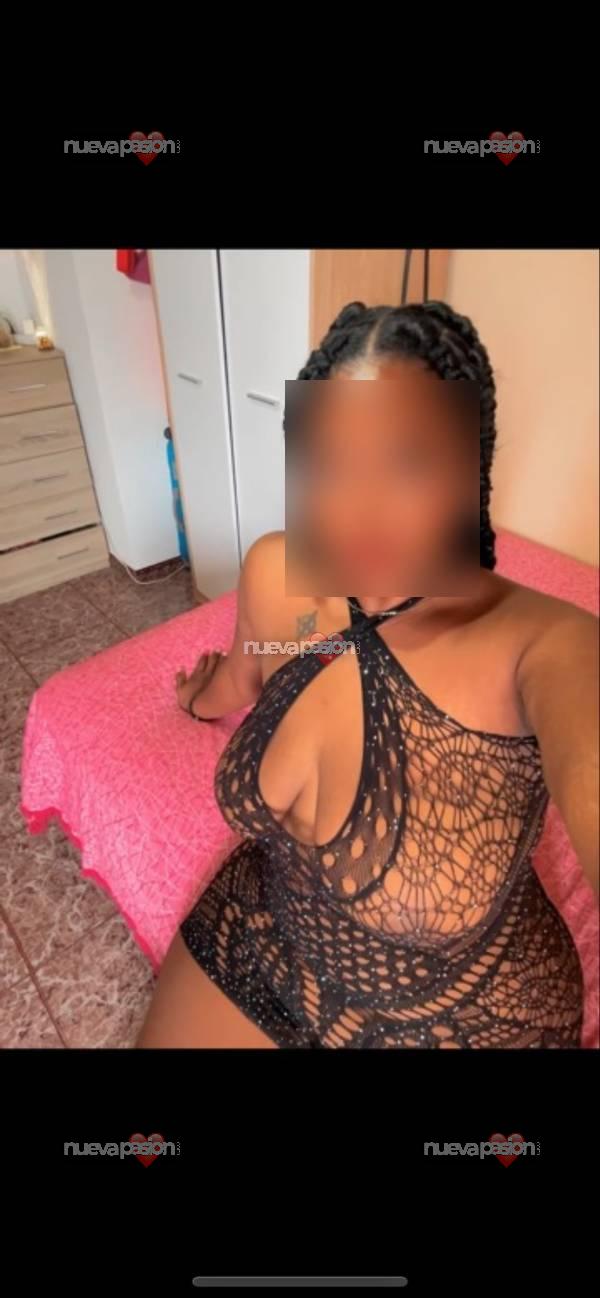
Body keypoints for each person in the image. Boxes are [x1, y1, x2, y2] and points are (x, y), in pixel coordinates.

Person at [136, 300, 598, 1049]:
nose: (361, 507)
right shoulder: (281, 575)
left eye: (407, 462)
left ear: (470, 469)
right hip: (279, 930)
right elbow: (251, 674)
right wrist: (197, 696)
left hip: (470, 1011)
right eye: (331, 463)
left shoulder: (548, 644)